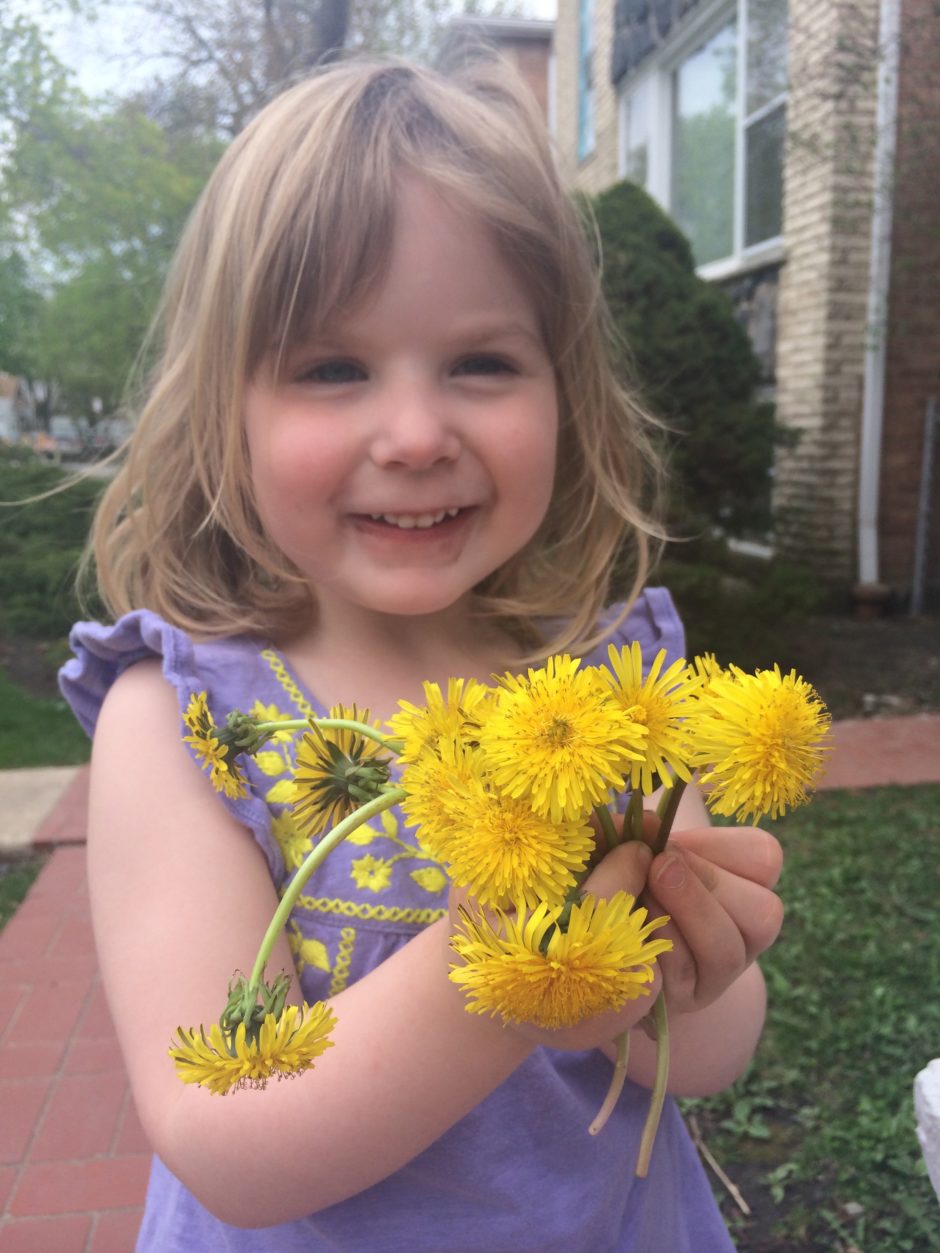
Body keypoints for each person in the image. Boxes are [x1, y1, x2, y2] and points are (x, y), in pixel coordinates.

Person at [60, 56, 783, 1251]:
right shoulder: (187, 723)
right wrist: (511, 970)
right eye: (332, 368)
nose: (413, 434)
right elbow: (228, 1137)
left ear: (566, 395)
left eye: (481, 362)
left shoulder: (604, 682)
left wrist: (687, 971)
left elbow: (703, 1057)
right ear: (223, 413)